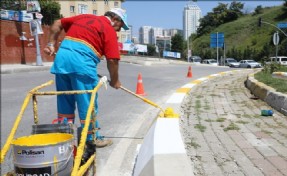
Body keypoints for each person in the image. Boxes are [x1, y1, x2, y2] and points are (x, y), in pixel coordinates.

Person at [43, 8, 129, 163]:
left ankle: (65, 140)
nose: (119, 30)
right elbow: (113, 60)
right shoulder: (108, 29)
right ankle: (90, 142)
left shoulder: (84, 17)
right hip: (82, 66)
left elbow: (57, 23)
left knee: (65, 102)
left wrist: (50, 44)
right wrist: (115, 80)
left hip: (62, 61)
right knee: (87, 105)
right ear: (115, 19)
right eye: (120, 26)